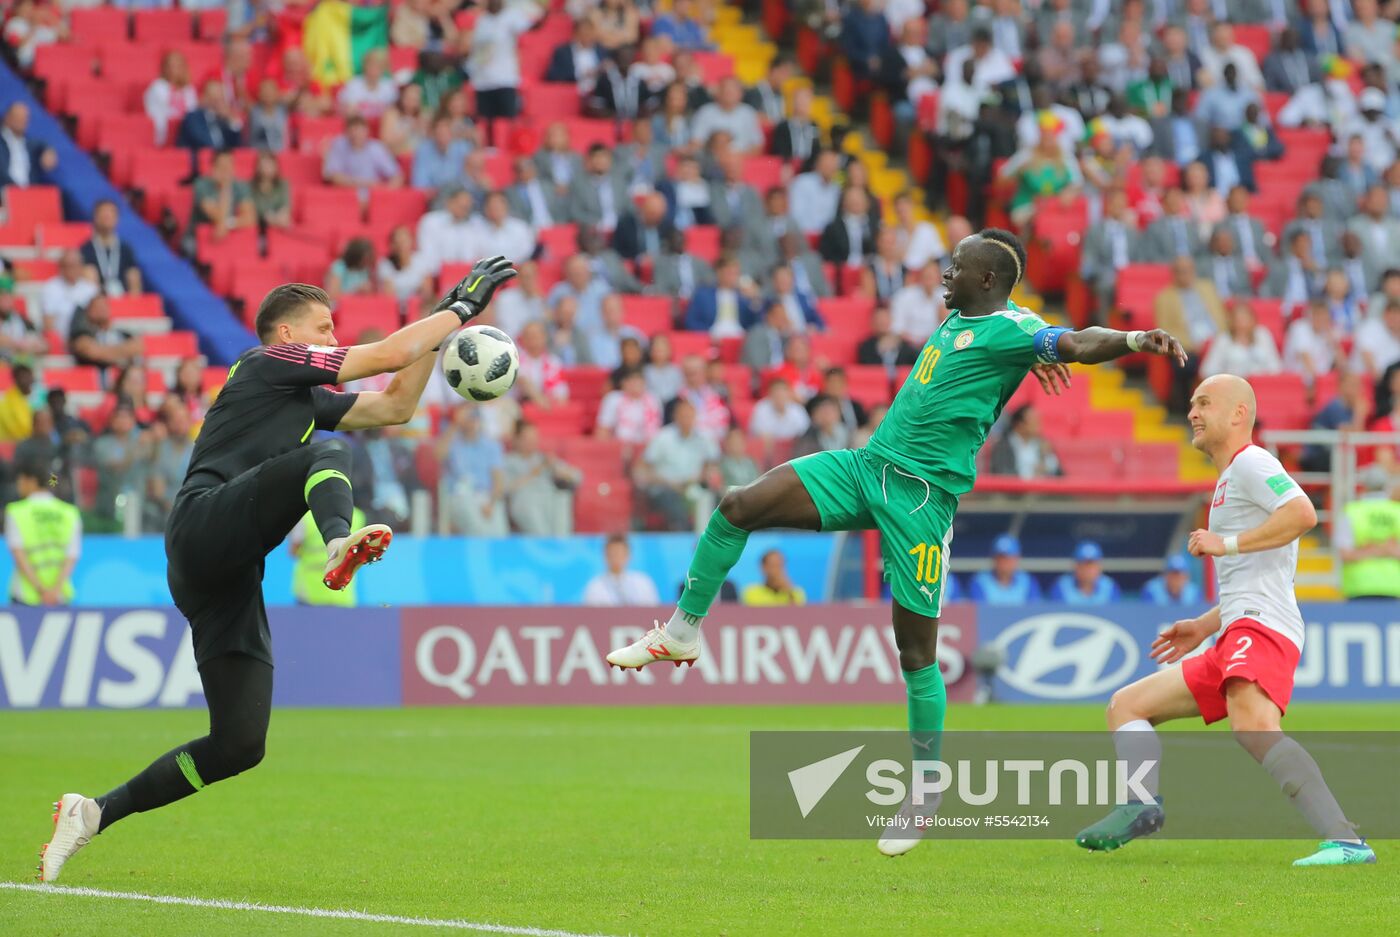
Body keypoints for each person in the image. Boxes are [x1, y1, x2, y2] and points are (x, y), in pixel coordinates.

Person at [603, 229, 1186, 857]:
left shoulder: (1014, 330)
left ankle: (926, 787)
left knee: (914, 654)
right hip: (867, 466)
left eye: (956, 266)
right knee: (737, 505)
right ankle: (684, 631)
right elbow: (1026, 320)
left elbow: (1072, 342)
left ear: (987, 279)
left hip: (922, 501)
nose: (944, 272)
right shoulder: (971, 317)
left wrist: (1130, 340)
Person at [37, 257, 518, 883]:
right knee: (328, 451)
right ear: (287, 335)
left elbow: (398, 404)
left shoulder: (304, 397)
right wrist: (458, 312)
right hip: (203, 525)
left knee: (239, 744)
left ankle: (93, 812)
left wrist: (441, 327)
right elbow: (382, 356)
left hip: (226, 574)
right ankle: (339, 542)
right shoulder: (266, 364)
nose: (331, 335)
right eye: (323, 326)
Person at [1074, 374, 1376, 868]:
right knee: (1126, 706)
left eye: (1204, 403)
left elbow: (1303, 514)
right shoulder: (1230, 480)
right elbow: (1255, 575)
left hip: (1261, 627)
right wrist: (1204, 623)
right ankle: (1140, 807)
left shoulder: (1253, 463)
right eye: (1192, 403)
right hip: (1236, 626)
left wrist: (1225, 544)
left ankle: (1346, 842)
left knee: (1253, 723)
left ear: (1239, 414)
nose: (1192, 411)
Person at [5, 459, 80, 605]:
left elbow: (19, 555)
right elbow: (72, 555)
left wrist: (41, 590)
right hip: (59, 597)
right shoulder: (69, 512)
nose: (19, 484)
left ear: (31, 481)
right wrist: (55, 591)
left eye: (20, 479)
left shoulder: (16, 512)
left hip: (25, 595)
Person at [1335, 468, 1400, 600]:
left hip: (1358, 585)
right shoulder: (1396, 512)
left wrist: (1369, 550)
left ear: (1364, 486)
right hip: (1393, 585)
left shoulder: (1351, 512)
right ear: (1386, 486)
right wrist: (1385, 549)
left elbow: (1345, 553)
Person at [288, 506, 367, 607]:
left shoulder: (304, 517)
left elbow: (293, 551)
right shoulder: (357, 515)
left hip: (310, 594)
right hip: (342, 594)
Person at [80, 200, 142, 297]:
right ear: (95, 217)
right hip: (98, 299)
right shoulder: (86, 249)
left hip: (123, 297)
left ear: (117, 218)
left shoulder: (125, 249)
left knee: (134, 274)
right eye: (103, 214)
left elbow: (132, 275)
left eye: (111, 214)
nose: (107, 217)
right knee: (89, 272)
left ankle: (134, 308)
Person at [582, 534, 661, 606]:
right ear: (605, 556)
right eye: (612, 553)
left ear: (628, 555)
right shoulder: (595, 586)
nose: (616, 557)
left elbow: (654, 612)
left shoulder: (643, 582)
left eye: (620, 553)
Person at [988, 404, 1062, 479]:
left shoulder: (1043, 444)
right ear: (1019, 424)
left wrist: (1046, 460)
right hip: (1016, 489)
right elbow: (1002, 474)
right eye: (1033, 420)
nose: (1037, 425)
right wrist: (1032, 473)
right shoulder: (1003, 446)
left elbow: (1059, 473)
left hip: (1043, 489)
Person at [969, 534, 1041, 604]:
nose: (1004, 562)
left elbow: (1034, 610)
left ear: (1016, 558)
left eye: (1008, 558)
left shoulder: (1027, 582)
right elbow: (981, 612)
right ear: (994, 558)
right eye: (1000, 558)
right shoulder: (981, 582)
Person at [1050, 540, 1122, 604]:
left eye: (1091, 565)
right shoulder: (1062, 586)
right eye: (1083, 565)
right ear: (1076, 566)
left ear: (1099, 567)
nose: (1088, 570)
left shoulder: (1109, 587)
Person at [742, 549, 807, 606]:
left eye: (780, 565)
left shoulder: (796, 592)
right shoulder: (751, 592)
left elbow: (798, 616)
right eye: (773, 566)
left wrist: (789, 593)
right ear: (763, 568)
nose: (777, 570)